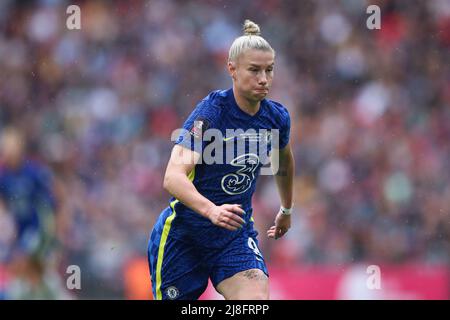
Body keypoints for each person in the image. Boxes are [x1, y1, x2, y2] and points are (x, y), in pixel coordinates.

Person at [147, 19, 295, 300]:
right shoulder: (210, 114)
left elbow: (284, 162)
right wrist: (211, 210)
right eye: (254, 70)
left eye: (269, 70)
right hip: (184, 234)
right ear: (232, 70)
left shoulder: (276, 118)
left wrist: (286, 209)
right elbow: (172, 177)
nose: (263, 78)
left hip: (233, 236)